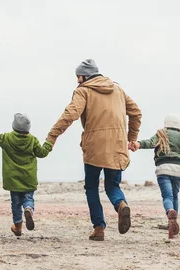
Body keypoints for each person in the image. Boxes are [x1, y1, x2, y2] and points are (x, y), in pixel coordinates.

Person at [45, 59, 142, 241]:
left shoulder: (83, 91)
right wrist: (132, 138)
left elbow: (70, 115)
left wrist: (52, 136)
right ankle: (121, 204)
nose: (77, 81)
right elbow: (136, 112)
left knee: (91, 188)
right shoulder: (118, 90)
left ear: (85, 76)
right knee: (113, 186)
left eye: (78, 77)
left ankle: (99, 228)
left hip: (94, 149)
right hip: (117, 147)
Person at [0, 114, 53, 236]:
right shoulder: (32, 140)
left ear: (14, 126)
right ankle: (28, 209)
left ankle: (18, 227)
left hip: (13, 180)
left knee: (16, 204)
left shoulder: (6, 138)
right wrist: (49, 142)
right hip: (28, 178)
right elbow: (42, 153)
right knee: (28, 199)